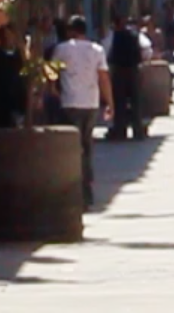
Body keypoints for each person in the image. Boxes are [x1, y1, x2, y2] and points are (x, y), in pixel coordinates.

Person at [51, 16, 113, 208]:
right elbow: (103, 78)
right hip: (91, 104)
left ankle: (74, 191)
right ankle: (87, 192)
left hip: (70, 103)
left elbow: (52, 72)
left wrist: (53, 90)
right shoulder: (97, 50)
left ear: (70, 31)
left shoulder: (61, 49)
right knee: (87, 147)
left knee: (72, 149)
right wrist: (110, 102)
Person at [105, 15, 148, 141]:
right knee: (136, 101)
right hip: (133, 70)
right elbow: (146, 49)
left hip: (118, 71)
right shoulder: (136, 35)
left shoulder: (112, 36)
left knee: (119, 102)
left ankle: (120, 130)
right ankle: (138, 130)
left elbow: (105, 50)